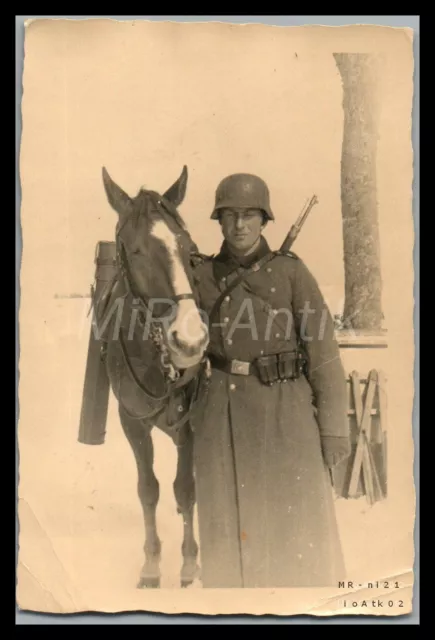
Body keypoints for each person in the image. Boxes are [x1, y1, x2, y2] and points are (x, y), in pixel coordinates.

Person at [190, 173, 351, 589]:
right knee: (226, 528)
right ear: (219, 221)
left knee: (294, 528)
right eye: (229, 216)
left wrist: (333, 431)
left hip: (286, 414)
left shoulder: (293, 274)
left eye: (248, 215)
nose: (239, 225)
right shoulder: (202, 277)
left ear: (264, 220)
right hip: (220, 415)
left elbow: (324, 356)